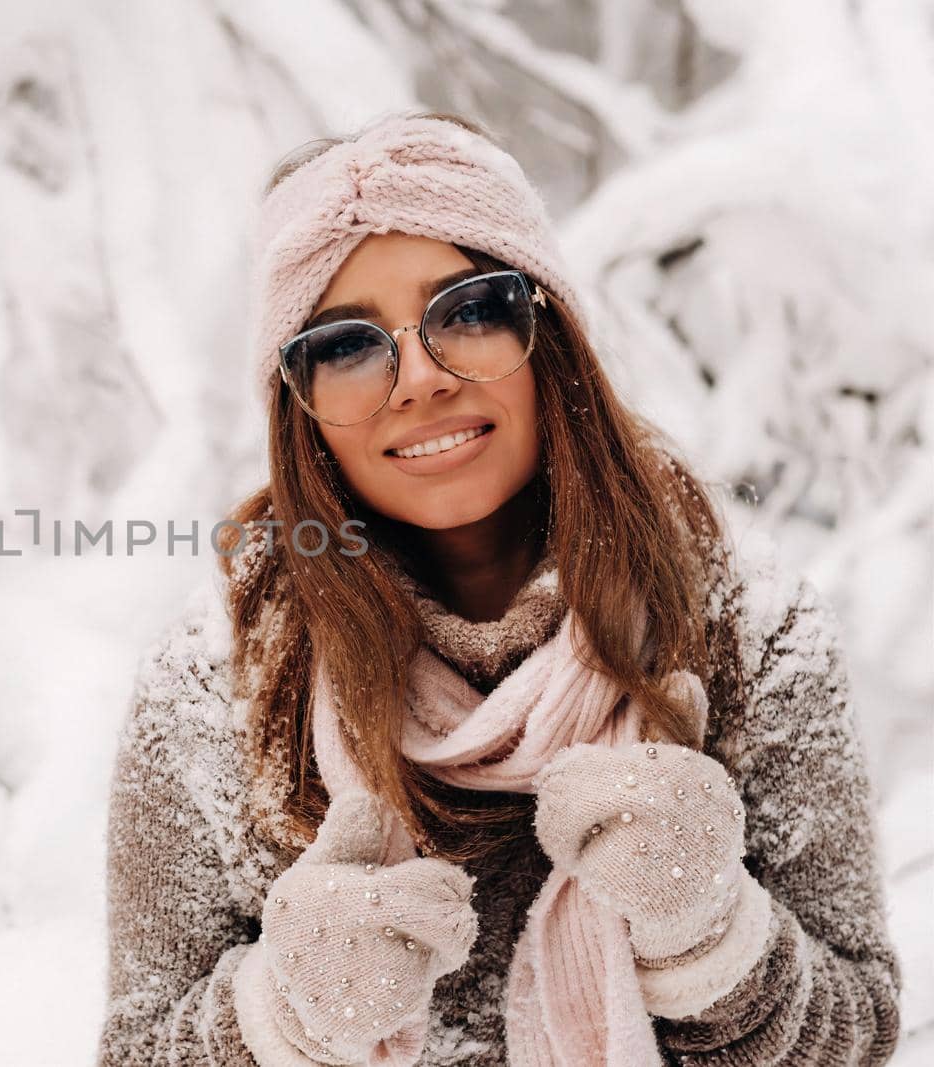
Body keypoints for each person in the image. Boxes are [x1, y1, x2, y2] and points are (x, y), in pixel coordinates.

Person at [95, 110, 902, 1066]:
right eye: (347, 347)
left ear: (548, 331)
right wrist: (285, 1015)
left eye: (469, 310)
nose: (421, 379)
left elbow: (858, 1033)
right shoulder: (219, 688)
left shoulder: (743, 628)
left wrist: (708, 934)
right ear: (299, 408)